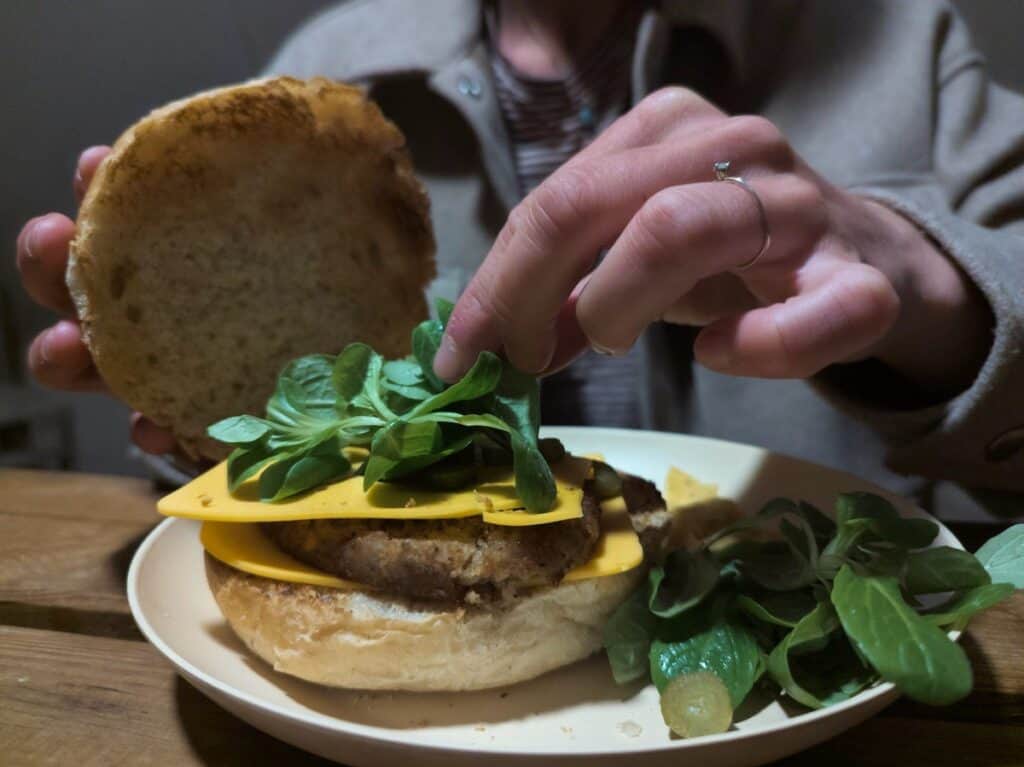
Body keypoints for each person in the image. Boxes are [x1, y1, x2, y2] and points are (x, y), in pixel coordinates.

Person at [15, 0, 1024, 518]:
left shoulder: (904, 43)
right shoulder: (318, 81)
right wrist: (221, 431)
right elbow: (255, 445)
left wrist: (941, 299)